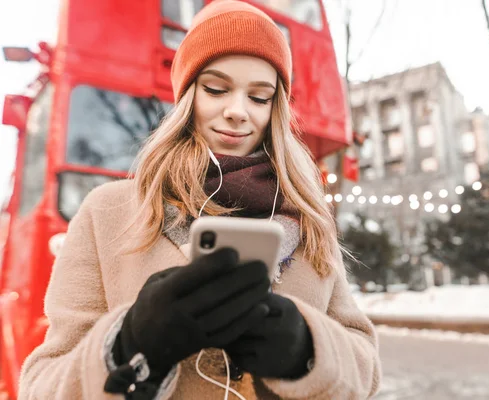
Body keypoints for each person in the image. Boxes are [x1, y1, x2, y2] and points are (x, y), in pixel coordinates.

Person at [18, 1, 382, 399]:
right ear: (188, 96)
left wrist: (307, 350)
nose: (238, 112)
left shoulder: (309, 216)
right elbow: (42, 385)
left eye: (259, 97)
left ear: (275, 107)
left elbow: (365, 368)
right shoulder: (107, 210)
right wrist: (128, 342)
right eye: (215, 89)